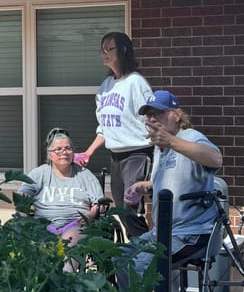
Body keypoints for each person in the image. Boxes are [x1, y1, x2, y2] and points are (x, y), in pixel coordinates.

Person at [124, 90, 223, 273]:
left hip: (191, 235)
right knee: (119, 256)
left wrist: (171, 141)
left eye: (158, 113)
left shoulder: (191, 137)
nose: (152, 119)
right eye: (149, 115)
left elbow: (216, 159)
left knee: (137, 265)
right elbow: (170, 182)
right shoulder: (159, 148)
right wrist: (141, 187)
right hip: (161, 234)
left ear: (177, 115)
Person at [78, 31, 154, 238]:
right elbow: (105, 126)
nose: (104, 53)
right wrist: (89, 152)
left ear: (124, 50)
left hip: (137, 152)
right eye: (102, 49)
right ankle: (138, 251)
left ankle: (144, 254)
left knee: (131, 208)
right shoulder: (106, 86)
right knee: (121, 208)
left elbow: (151, 118)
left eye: (109, 48)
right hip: (116, 155)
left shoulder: (136, 82)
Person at [18, 127, 104, 271]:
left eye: (68, 148)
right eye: (58, 149)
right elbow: (21, 197)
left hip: (75, 225)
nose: (64, 152)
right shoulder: (39, 173)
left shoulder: (84, 174)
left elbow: (99, 203)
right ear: (49, 154)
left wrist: (89, 215)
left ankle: (65, 283)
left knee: (69, 245)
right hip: (43, 226)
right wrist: (23, 219)